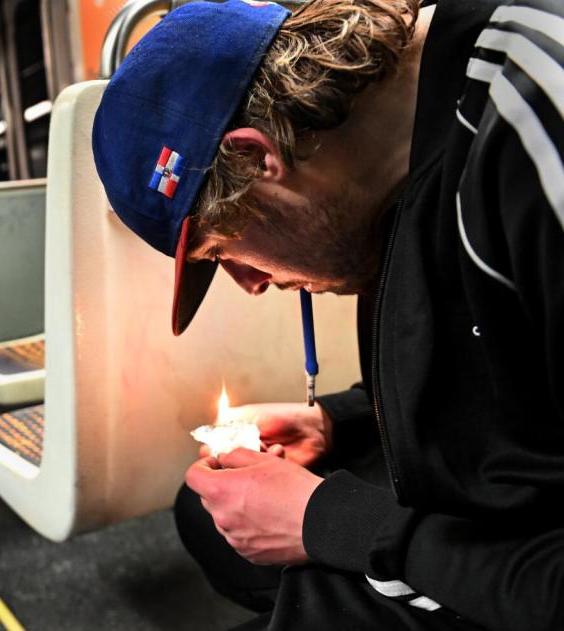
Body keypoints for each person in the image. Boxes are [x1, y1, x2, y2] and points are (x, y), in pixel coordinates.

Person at [90, 0, 564, 629]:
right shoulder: (389, 180)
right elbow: (493, 377)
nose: (252, 284)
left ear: (259, 160)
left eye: (226, 250)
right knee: (209, 518)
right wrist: (337, 421)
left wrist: (328, 523)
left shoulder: (533, 135)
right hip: (488, 503)